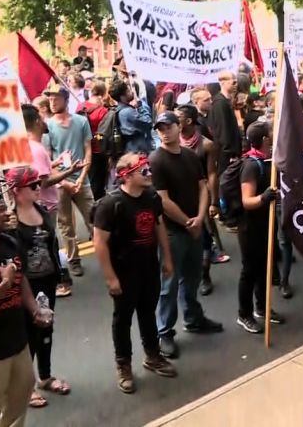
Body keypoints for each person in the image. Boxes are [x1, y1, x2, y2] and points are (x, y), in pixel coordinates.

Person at [93, 153, 177, 394]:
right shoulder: (111, 205)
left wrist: (167, 258)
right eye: (144, 171)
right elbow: (99, 242)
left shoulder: (151, 197)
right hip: (124, 270)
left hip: (148, 266)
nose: (149, 174)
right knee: (122, 319)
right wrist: (111, 277)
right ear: (127, 176)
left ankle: (152, 355)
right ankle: (124, 365)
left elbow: (159, 226)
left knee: (147, 312)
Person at [0, 179, 51, 427]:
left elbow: (22, 279)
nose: (7, 212)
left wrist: (34, 309)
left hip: (18, 343)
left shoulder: (9, 242)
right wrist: (3, 286)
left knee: (21, 395)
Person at [149, 112, 222, 360]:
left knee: (191, 278)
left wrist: (200, 218)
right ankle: (164, 332)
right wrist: (187, 221)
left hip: (194, 227)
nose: (164, 131)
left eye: (168, 126)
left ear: (178, 127)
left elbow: (203, 186)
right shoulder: (156, 160)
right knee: (168, 283)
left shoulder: (190, 156)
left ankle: (193, 318)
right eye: (160, 128)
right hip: (172, 231)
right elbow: (162, 199)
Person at [6, 167, 70, 408]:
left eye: (37, 184)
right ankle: (26, 386)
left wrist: (61, 274)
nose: (38, 188)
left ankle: (45, 376)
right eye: (32, 185)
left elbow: (53, 244)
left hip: (47, 279)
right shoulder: (9, 220)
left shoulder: (41, 210)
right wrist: (6, 230)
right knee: (27, 335)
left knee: (46, 328)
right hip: (25, 285)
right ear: (17, 191)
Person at [22, 104, 81, 298]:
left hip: (44, 204)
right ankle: (61, 280)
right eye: (42, 115)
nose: (45, 119)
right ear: (37, 121)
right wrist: (70, 171)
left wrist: (57, 163)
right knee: (49, 243)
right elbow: (43, 181)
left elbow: (42, 171)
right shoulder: (37, 149)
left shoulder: (33, 147)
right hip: (45, 205)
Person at [234, 121, 283, 334]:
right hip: (249, 228)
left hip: (265, 224)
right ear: (264, 139)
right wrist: (264, 198)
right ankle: (244, 314)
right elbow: (247, 200)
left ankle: (262, 308)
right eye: (270, 134)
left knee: (265, 268)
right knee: (250, 271)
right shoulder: (251, 165)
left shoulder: (266, 162)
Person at [43, 84, 94, 277]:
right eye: (50, 98)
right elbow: (48, 161)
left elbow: (88, 149)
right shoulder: (47, 126)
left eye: (56, 97)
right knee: (66, 225)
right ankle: (73, 260)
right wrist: (64, 182)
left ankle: (110, 256)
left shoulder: (81, 121)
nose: (52, 101)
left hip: (82, 180)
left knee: (93, 220)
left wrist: (81, 177)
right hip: (61, 183)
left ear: (66, 99)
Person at [175, 104, 221, 296]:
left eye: (178, 118)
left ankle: (205, 275)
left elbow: (212, 174)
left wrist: (213, 201)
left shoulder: (206, 145)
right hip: (178, 198)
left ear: (188, 121)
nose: (174, 121)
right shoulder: (172, 142)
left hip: (200, 197)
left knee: (203, 237)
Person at [209, 71, 245, 178]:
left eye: (236, 82)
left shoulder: (225, 101)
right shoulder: (220, 103)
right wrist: (229, 154)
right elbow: (223, 131)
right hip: (227, 156)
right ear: (222, 83)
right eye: (233, 83)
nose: (236, 85)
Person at [80, 81, 110, 200]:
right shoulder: (103, 111)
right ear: (103, 93)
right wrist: (97, 139)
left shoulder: (80, 106)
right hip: (98, 150)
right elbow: (103, 133)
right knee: (98, 181)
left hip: (83, 147)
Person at [112, 80, 154, 155]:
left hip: (132, 149)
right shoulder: (128, 112)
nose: (131, 92)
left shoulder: (121, 110)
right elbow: (148, 122)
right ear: (122, 97)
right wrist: (141, 106)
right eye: (128, 91)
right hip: (138, 150)